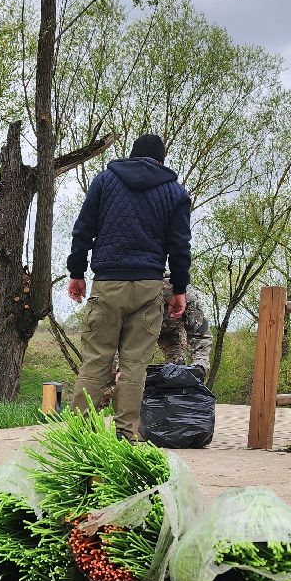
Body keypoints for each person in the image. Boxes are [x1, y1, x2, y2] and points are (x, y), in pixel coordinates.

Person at [65, 133, 192, 440]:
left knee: (97, 359)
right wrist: (179, 288)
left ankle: (78, 436)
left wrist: (77, 272)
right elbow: (179, 246)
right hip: (148, 287)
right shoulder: (175, 193)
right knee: (135, 365)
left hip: (108, 282)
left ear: (131, 155)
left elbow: (83, 229)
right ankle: (127, 434)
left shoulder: (105, 182)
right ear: (161, 161)